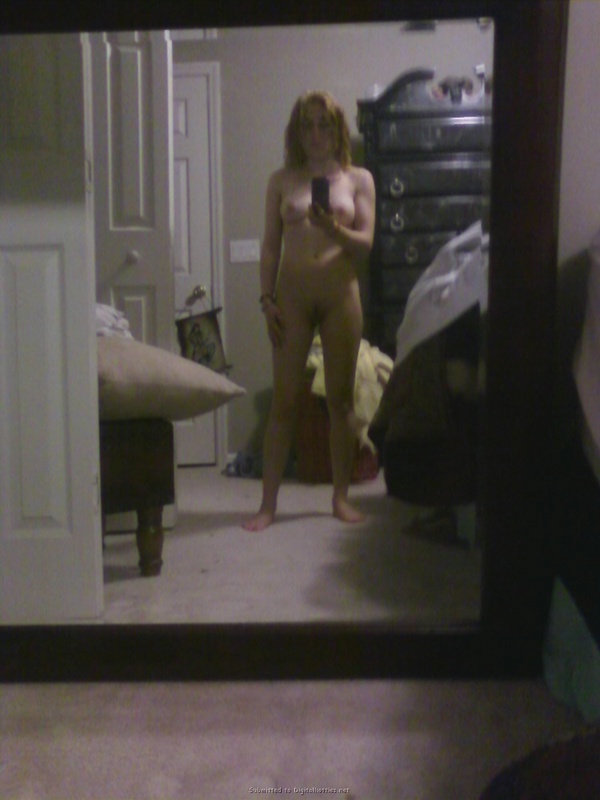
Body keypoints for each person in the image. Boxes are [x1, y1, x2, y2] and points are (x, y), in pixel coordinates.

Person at [243, 90, 376, 531]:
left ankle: (340, 498)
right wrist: (266, 300)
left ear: (337, 130)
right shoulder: (281, 181)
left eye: (323, 124)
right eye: (307, 125)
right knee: (284, 402)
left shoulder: (359, 180)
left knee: (340, 401)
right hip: (292, 298)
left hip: (341, 296)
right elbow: (270, 247)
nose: (315, 134)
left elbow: (366, 244)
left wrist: (332, 227)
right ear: (296, 133)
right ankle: (267, 505)